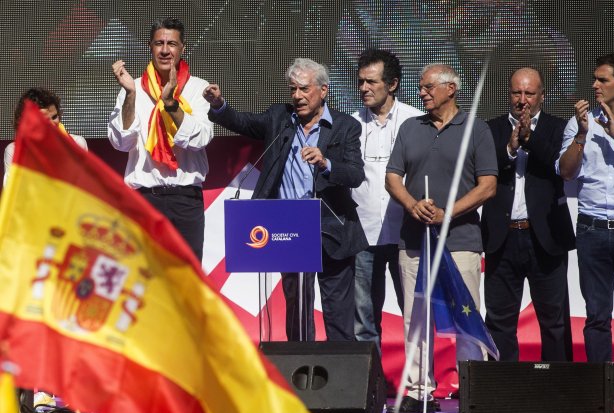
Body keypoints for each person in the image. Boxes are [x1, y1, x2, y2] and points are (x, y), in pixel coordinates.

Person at [204, 57, 367, 341]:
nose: (297, 96)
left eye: (304, 89)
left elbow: (354, 174)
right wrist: (219, 105)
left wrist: (326, 163)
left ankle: (342, 380)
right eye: (293, 89)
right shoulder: (280, 118)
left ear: (323, 90)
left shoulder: (345, 126)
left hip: (332, 229)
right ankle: (301, 377)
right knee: (297, 310)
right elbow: (243, 122)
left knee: (338, 313)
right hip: (288, 229)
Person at [385, 63, 497, 413]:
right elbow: (392, 178)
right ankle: (419, 389)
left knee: (466, 314)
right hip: (415, 241)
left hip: (460, 240)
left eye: (429, 87)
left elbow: (488, 186)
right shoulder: (409, 127)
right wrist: (411, 205)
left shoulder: (475, 129)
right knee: (416, 317)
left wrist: (448, 212)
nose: (422, 93)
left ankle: (473, 387)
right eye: (421, 87)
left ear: (451, 89)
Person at [481, 67, 575, 362]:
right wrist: (510, 148)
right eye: (516, 93)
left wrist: (529, 138)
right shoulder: (491, 128)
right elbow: (482, 172)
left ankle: (558, 390)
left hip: (545, 236)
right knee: (499, 320)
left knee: (554, 320)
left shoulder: (559, 128)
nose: (522, 100)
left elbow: (561, 167)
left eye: (529, 93)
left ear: (542, 97)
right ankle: (504, 390)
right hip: (502, 236)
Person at [108, 17, 214, 261]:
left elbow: (201, 139)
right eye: (159, 43)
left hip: (186, 200)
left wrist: (170, 105)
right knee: (146, 281)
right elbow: (120, 142)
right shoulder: (131, 87)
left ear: (183, 48)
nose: (165, 50)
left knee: (188, 281)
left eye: (172, 44)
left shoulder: (198, 88)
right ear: (150, 47)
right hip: (145, 199)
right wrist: (131, 96)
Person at [557, 53, 614, 362]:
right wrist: (583, 135)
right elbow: (566, 171)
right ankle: (604, 389)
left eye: (603, 80)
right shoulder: (580, 124)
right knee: (596, 315)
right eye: (595, 79)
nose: (595, 85)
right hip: (591, 228)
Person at [352, 49, 423, 349]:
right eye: (361, 82)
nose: (364, 88)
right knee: (364, 319)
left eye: (371, 82)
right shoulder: (350, 124)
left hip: (406, 234)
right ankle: (371, 388)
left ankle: (418, 388)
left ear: (392, 84)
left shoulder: (416, 121)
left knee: (415, 315)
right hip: (363, 234)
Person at [4, 88, 88, 186]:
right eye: (44, 120)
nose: (52, 124)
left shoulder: (77, 143)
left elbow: (82, 188)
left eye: (54, 117)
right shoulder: (14, 150)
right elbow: (12, 191)